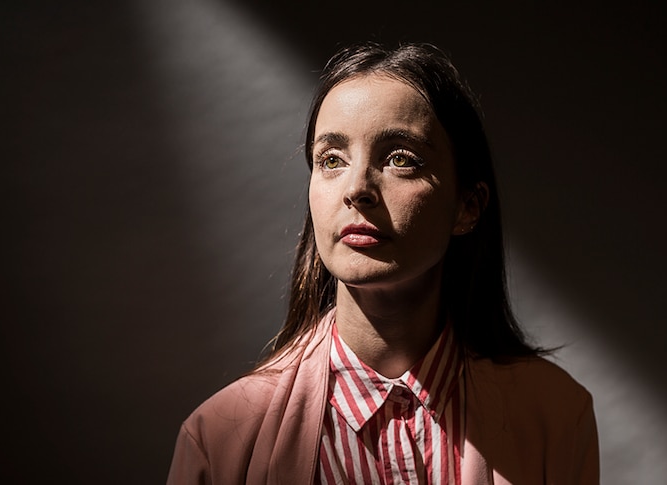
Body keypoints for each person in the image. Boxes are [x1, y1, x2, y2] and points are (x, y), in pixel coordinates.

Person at [167, 41, 599, 485]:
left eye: (399, 159)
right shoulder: (218, 439)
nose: (357, 189)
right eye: (331, 160)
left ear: (467, 206)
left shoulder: (557, 416)